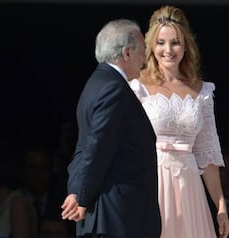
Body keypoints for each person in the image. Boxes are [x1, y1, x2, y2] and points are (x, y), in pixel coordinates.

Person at [129, 5, 229, 238]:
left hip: (189, 187)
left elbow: (207, 153)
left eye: (175, 42)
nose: (168, 50)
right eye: (161, 42)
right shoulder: (137, 87)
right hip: (151, 183)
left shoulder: (202, 91)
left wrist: (221, 205)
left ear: (186, 45)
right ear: (151, 45)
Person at [60, 19, 161, 237]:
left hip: (106, 214)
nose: (145, 59)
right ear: (126, 53)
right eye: (142, 51)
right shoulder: (115, 89)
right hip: (117, 217)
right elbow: (98, 149)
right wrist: (83, 197)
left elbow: (83, 148)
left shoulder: (94, 84)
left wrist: (76, 191)